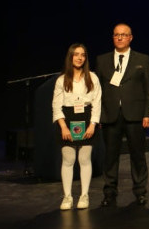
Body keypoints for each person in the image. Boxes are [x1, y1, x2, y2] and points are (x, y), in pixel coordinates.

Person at [98, 23, 149, 207]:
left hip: (135, 116)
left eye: (124, 34)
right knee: (110, 157)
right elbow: (97, 91)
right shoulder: (102, 60)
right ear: (113, 38)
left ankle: (140, 192)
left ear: (131, 37)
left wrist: (147, 113)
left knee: (138, 156)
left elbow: (148, 89)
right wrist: (98, 116)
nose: (120, 37)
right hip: (110, 115)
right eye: (117, 35)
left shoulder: (142, 59)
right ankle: (109, 193)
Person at [52, 43, 101, 210]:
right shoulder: (61, 80)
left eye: (83, 55)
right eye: (76, 54)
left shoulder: (92, 78)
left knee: (84, 159)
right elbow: (56, 105)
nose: (80, 58)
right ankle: (67, 197)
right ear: (70, 57)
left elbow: (97, 103)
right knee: (68, 159)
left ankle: (84, 195)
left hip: (87, 118)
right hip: (67, 119)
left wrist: (93, 124)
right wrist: (63, 127)